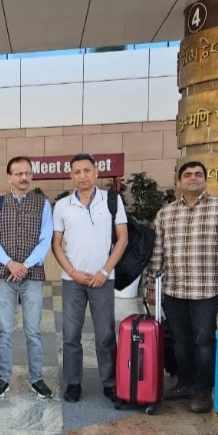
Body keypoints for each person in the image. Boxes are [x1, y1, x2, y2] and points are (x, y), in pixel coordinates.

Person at [146, 161, 218, 414]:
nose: (193, 178)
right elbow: (157, 253)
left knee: (204, 341)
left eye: (198, 174)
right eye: (187, 175)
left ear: (205, 179)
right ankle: (185, 383)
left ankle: (202, 390)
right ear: (179, 182)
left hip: (206, 289)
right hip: (174, 288)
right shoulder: (165, 213)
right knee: (180, 341)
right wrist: (151, 285)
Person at [51, 154, 128, 403]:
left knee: (105, 334)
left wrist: (105, 271)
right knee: (70, 335)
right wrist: (72, 272)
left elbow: (123, 239)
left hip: (102, 279)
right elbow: (56, 244)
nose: (82, 176)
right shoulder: (62, 205)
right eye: (77, 172)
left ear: (96, 172)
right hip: (72, 281)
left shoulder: (112, 200)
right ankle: (73, 382)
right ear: (71, 176)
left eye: (86, 170)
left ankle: (110, 382)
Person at [0, 156, 55, 400]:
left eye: (27, 173)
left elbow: (45, 240)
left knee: (33, 330)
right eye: (18, 173)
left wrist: (24, 265)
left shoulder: (42, 203)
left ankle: (37, 379)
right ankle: (3, 379)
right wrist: (10, 263)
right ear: (9, 178)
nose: (24, 177)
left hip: (32, 274)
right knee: (3, 330)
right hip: (3, 275)